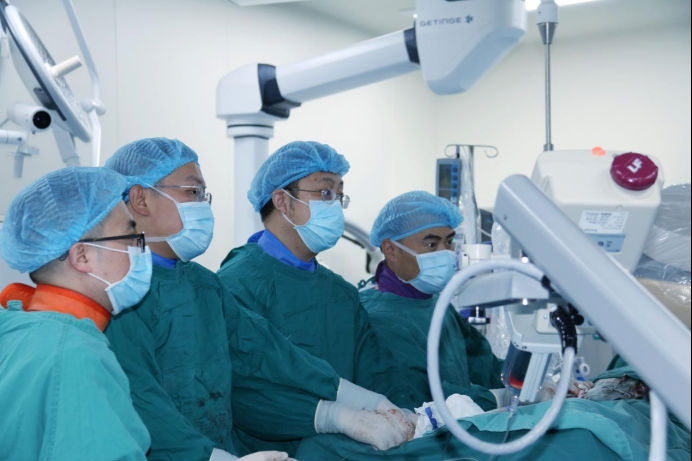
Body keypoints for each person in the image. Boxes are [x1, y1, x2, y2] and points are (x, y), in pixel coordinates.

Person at [104, 138, 413, 461]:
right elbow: (143, 403)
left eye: (204, 195)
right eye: (192, 192)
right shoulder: (123, 292)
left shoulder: (203, 285)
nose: (203, 206)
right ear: (140, 198)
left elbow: (269, 350)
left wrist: (358, 401)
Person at [217, 141, 394, 395]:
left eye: (339, 196)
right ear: (282, 200)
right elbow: (248, 388)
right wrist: (326, 414)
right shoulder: (237, 285)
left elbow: (374, 379)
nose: (335, 206)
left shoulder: (342, 294)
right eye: (325, 193)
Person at [0, 167, 151, 460]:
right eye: (131, 237)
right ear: (82, 256)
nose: (140, 250)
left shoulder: (14, 328)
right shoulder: (75, 355)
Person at [361, 191, 505, 410]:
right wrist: (498, 399)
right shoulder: (377, 319)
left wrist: (529, 380)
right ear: (391, 250)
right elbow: (420, 403)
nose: (446, 253)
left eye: (449, 242)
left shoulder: (437, 305)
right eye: (431, 244)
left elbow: (487, 368)